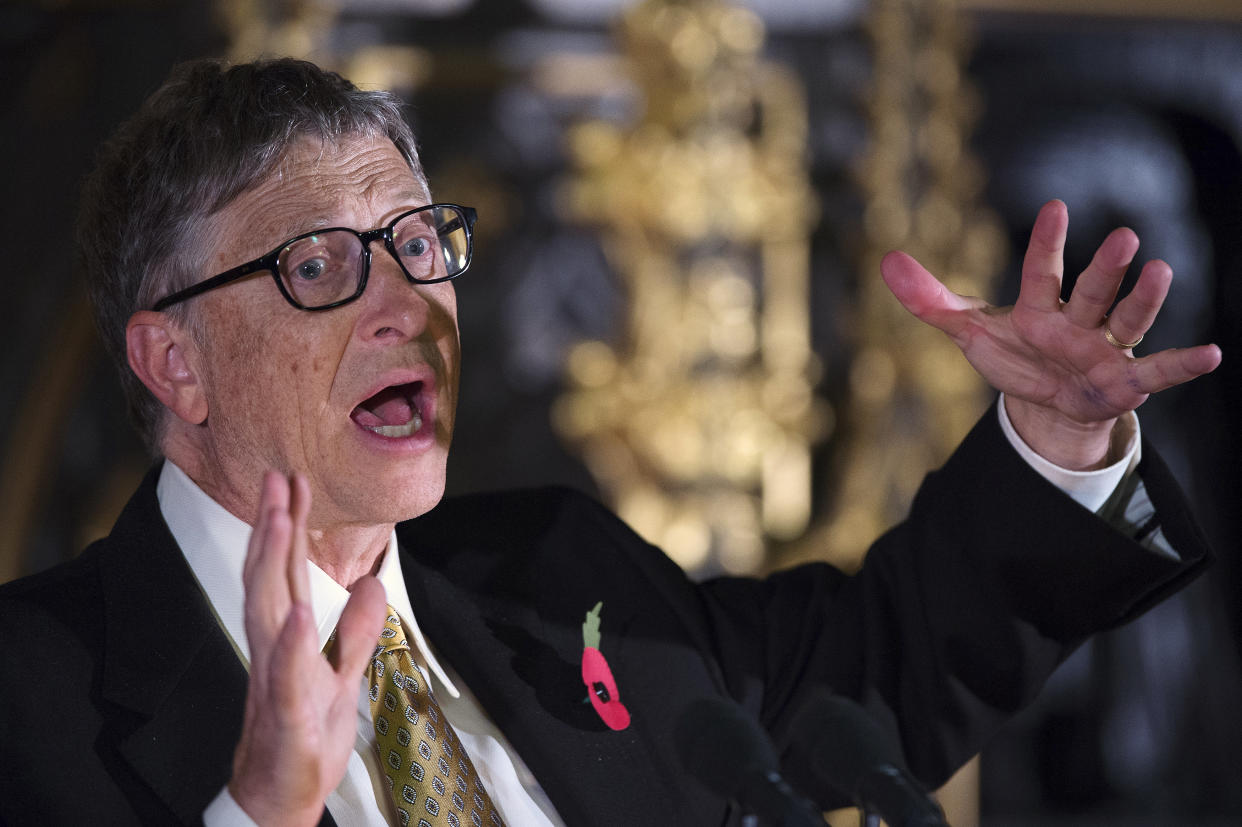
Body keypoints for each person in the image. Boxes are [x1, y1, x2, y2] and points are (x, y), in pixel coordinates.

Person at [0, 57, 1220, 827]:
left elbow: (873, 668)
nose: (405, 305)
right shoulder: (28, 697)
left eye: (422, 244)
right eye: (319, 264)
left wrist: (1059, 440)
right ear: (174, 361)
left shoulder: (559, 574)